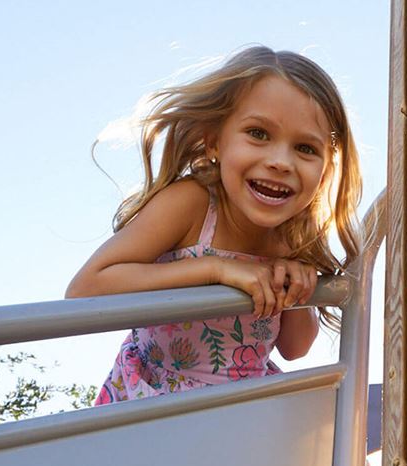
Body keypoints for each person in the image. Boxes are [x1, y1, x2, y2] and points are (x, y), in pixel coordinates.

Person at [67, 45, 362, 404]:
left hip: (240, 408)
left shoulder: (291, 236)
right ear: (214, 140)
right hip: (152, 403)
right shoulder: (192, 203)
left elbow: (295, 349)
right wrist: (214, 270)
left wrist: (298, 290)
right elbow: (85, 290)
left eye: (305, 148)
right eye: (258, 134)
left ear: (326, 169)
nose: (280, 162)